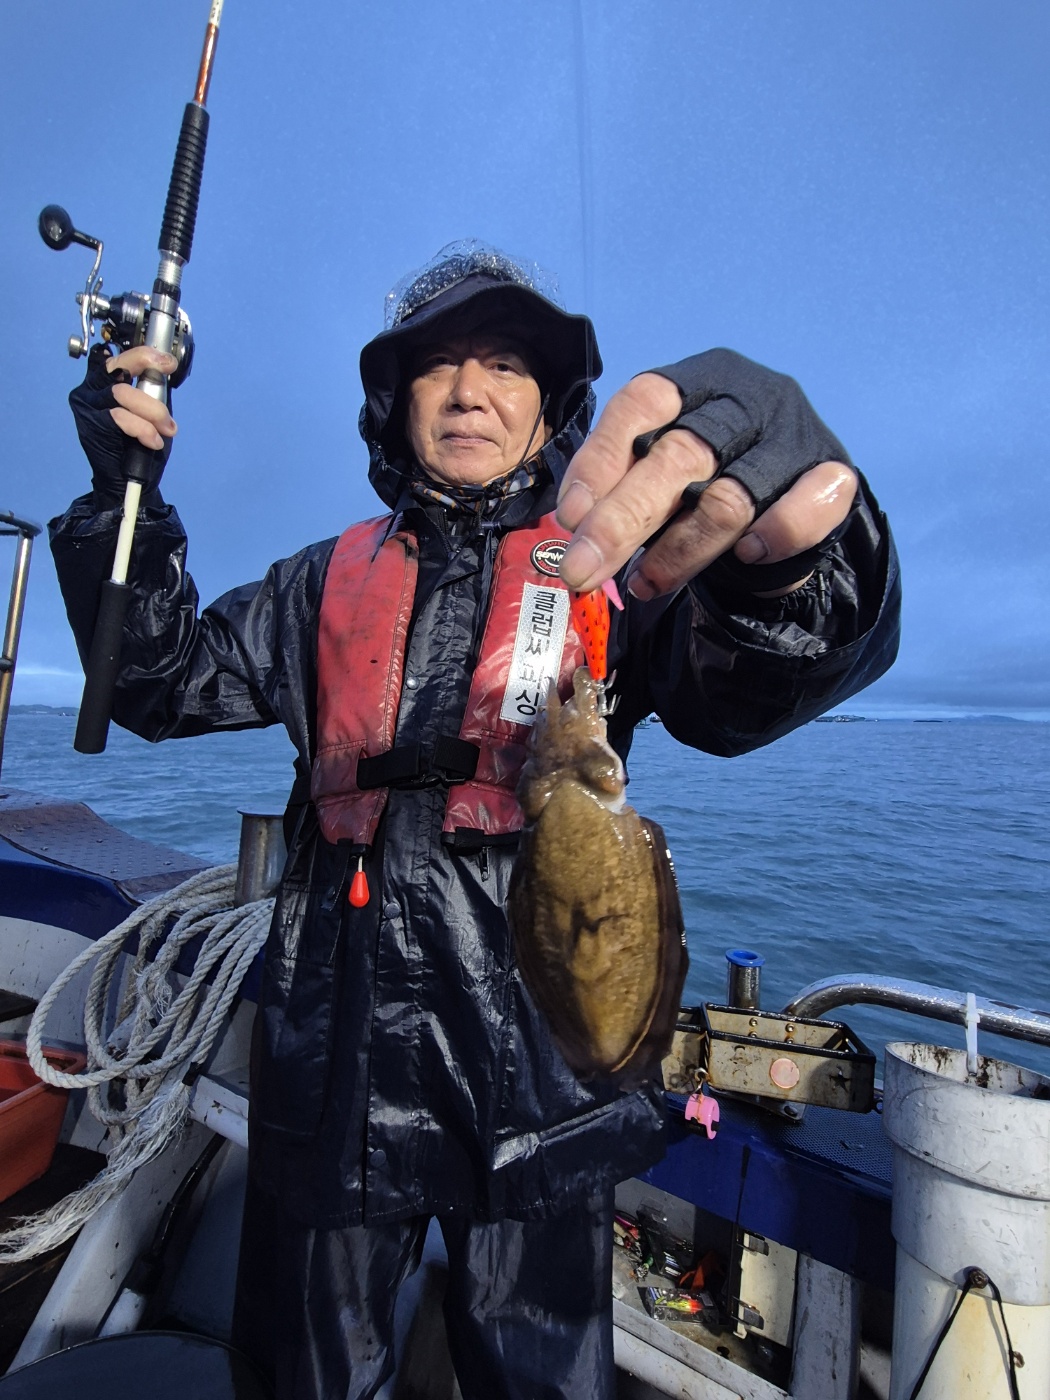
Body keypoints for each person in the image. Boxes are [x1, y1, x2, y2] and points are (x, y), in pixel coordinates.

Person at [51, 242, 900, 1400]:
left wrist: (791, 569)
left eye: (505, 363)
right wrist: (125, 504)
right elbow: (154, 680)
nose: (468, 390)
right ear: (393, 404)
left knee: (538, 1372)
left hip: (543, 1069)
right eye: (437, 364)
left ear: (552, 407)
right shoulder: (314, 583)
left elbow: (750, 685)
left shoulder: (618, 573)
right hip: (335, 1056)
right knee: (303, 1371)